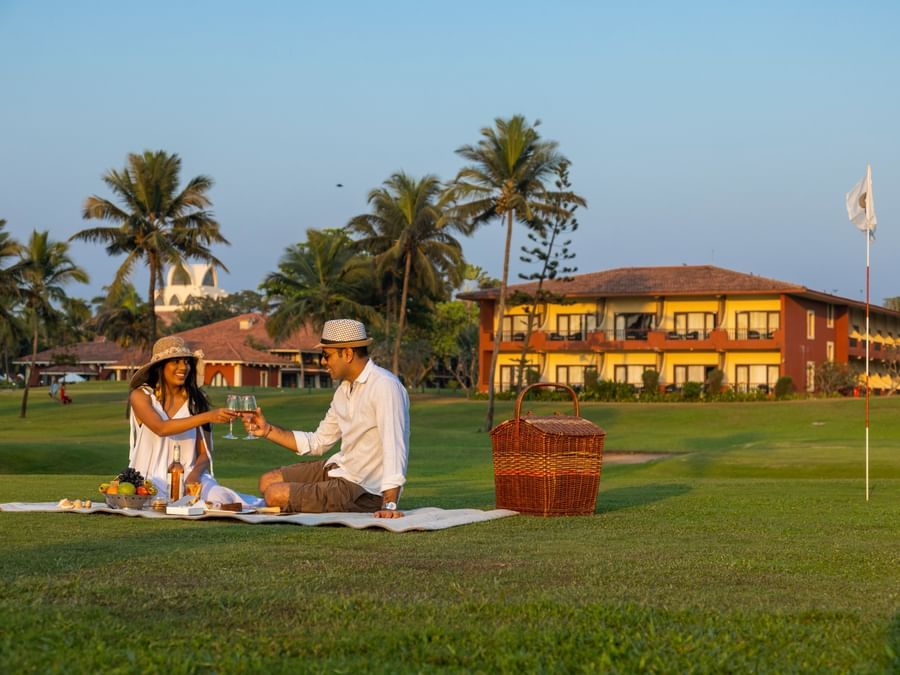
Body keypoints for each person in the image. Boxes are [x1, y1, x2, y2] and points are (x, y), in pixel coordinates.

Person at [242, 319, 409, 518]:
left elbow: (394, 447)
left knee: (274, 495)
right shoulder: (343, 391)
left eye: (326, 355)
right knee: (267, 481)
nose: (323, 362)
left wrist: (389, 505)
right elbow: (318, 442)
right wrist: (267, 430)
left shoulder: (384, 386)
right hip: (339, 469)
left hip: (363, 489)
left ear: (348, 354)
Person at [129, 336, 263, 508]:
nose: (183, 367)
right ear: (160, 366)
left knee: (222, 498)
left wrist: (194, 475)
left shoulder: (196, 400)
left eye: (186, 362)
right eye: (176, 362)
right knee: (159, 503)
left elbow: (205, 452)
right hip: (150, 478)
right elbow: (161, 428)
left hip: (190, 475)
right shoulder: (141, 396)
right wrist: (208, 416)